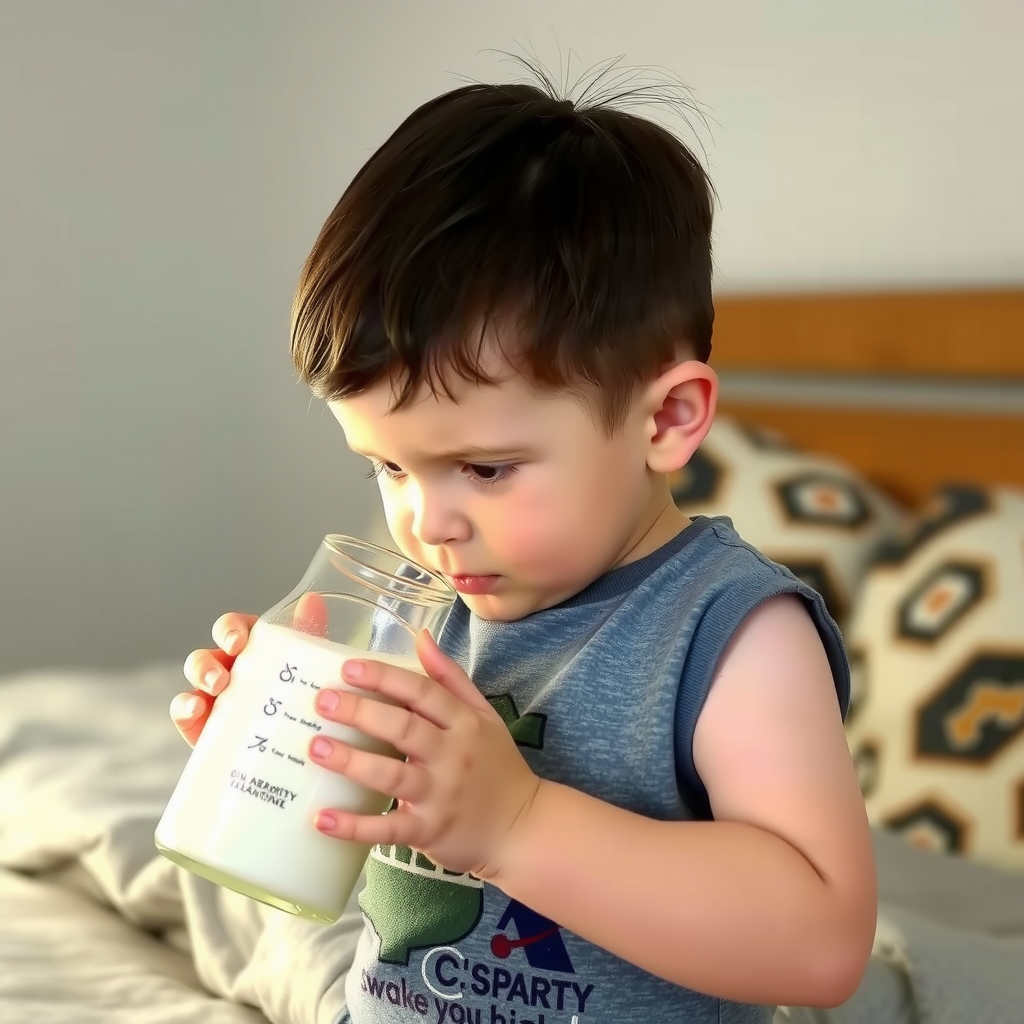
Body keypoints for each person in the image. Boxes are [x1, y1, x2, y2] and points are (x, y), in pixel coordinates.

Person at [171, 77, 876, 1023]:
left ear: (665, 418)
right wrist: (281, 759)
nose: (428, 523)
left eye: (487, 469)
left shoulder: (731, 633)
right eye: (386, 467)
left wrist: (516, 824)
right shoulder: (435, 600)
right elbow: (374, 838)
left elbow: (821, 941)